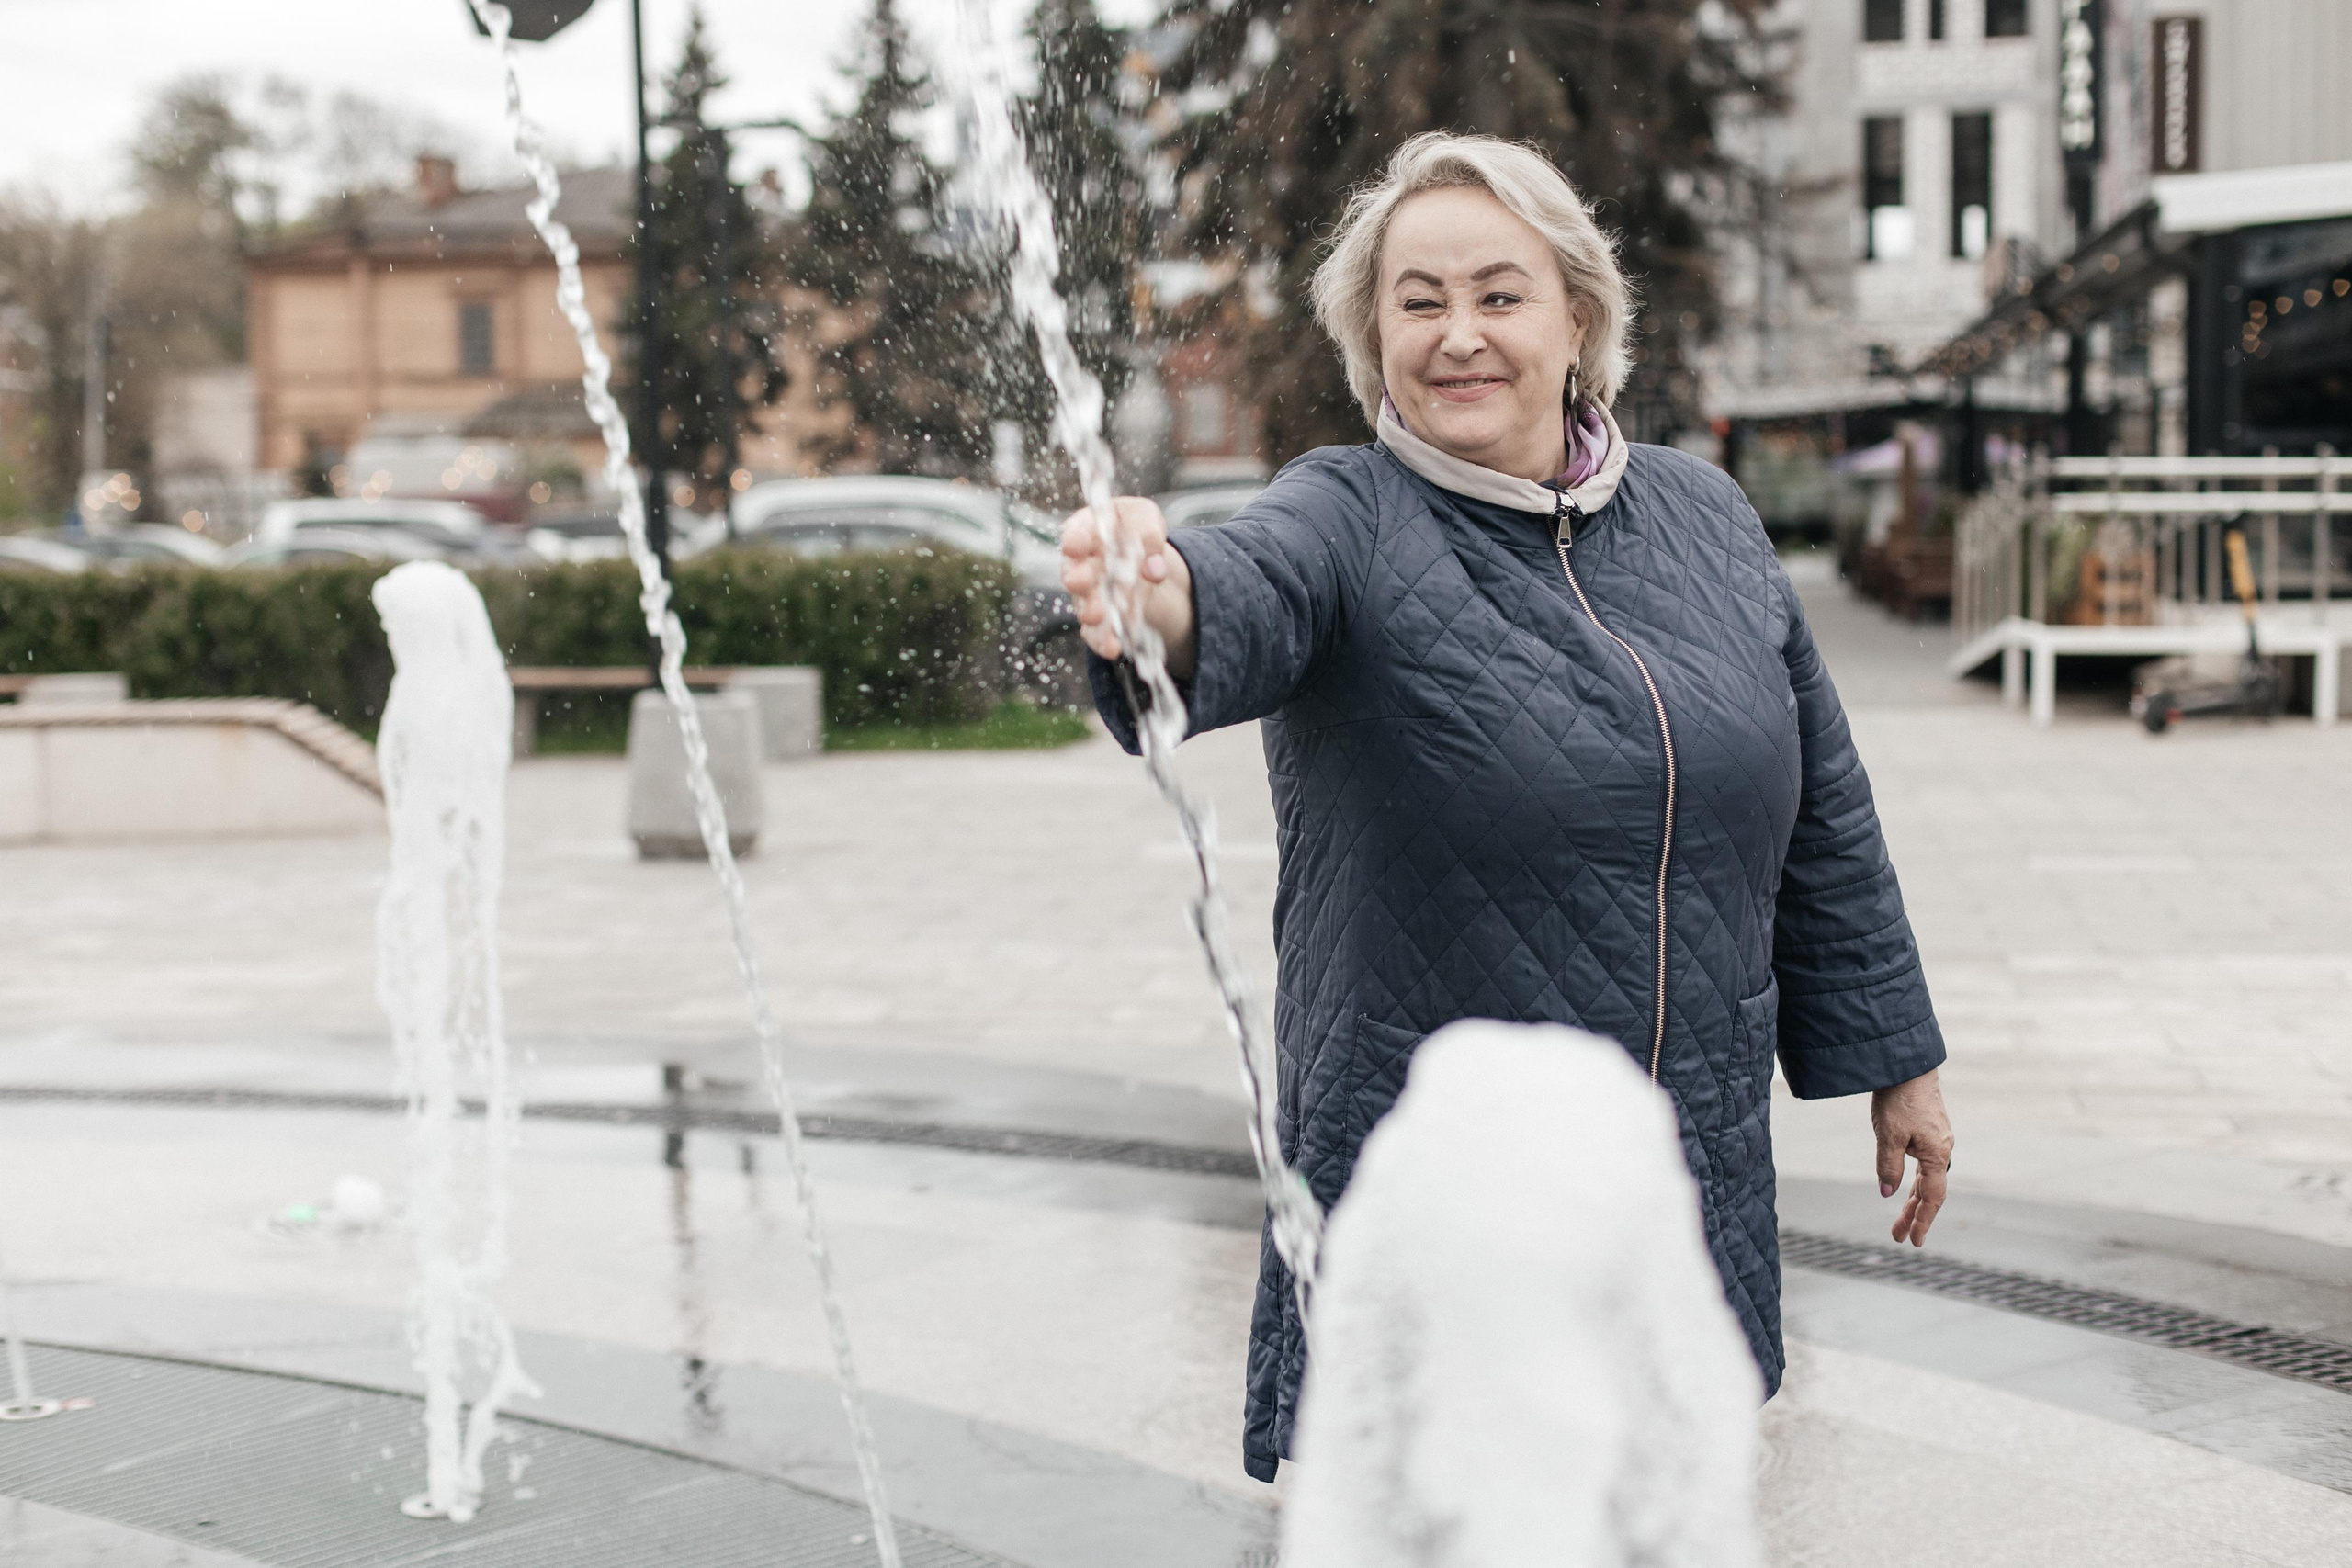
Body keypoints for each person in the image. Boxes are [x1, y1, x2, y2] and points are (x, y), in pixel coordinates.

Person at [1060, 131, 1954, 1484]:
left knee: (1658, 1491)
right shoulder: (1346, 515)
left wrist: (1898, 1057)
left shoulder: (1705, 520)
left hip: (1685, 1175)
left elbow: (1822, 805)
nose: (1458, 335)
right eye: (1417, 302)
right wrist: (1155, 598)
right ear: (1373, 338)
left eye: (1497, 293)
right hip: (1447, 1208)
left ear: (1579, 318)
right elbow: (1239, 591)